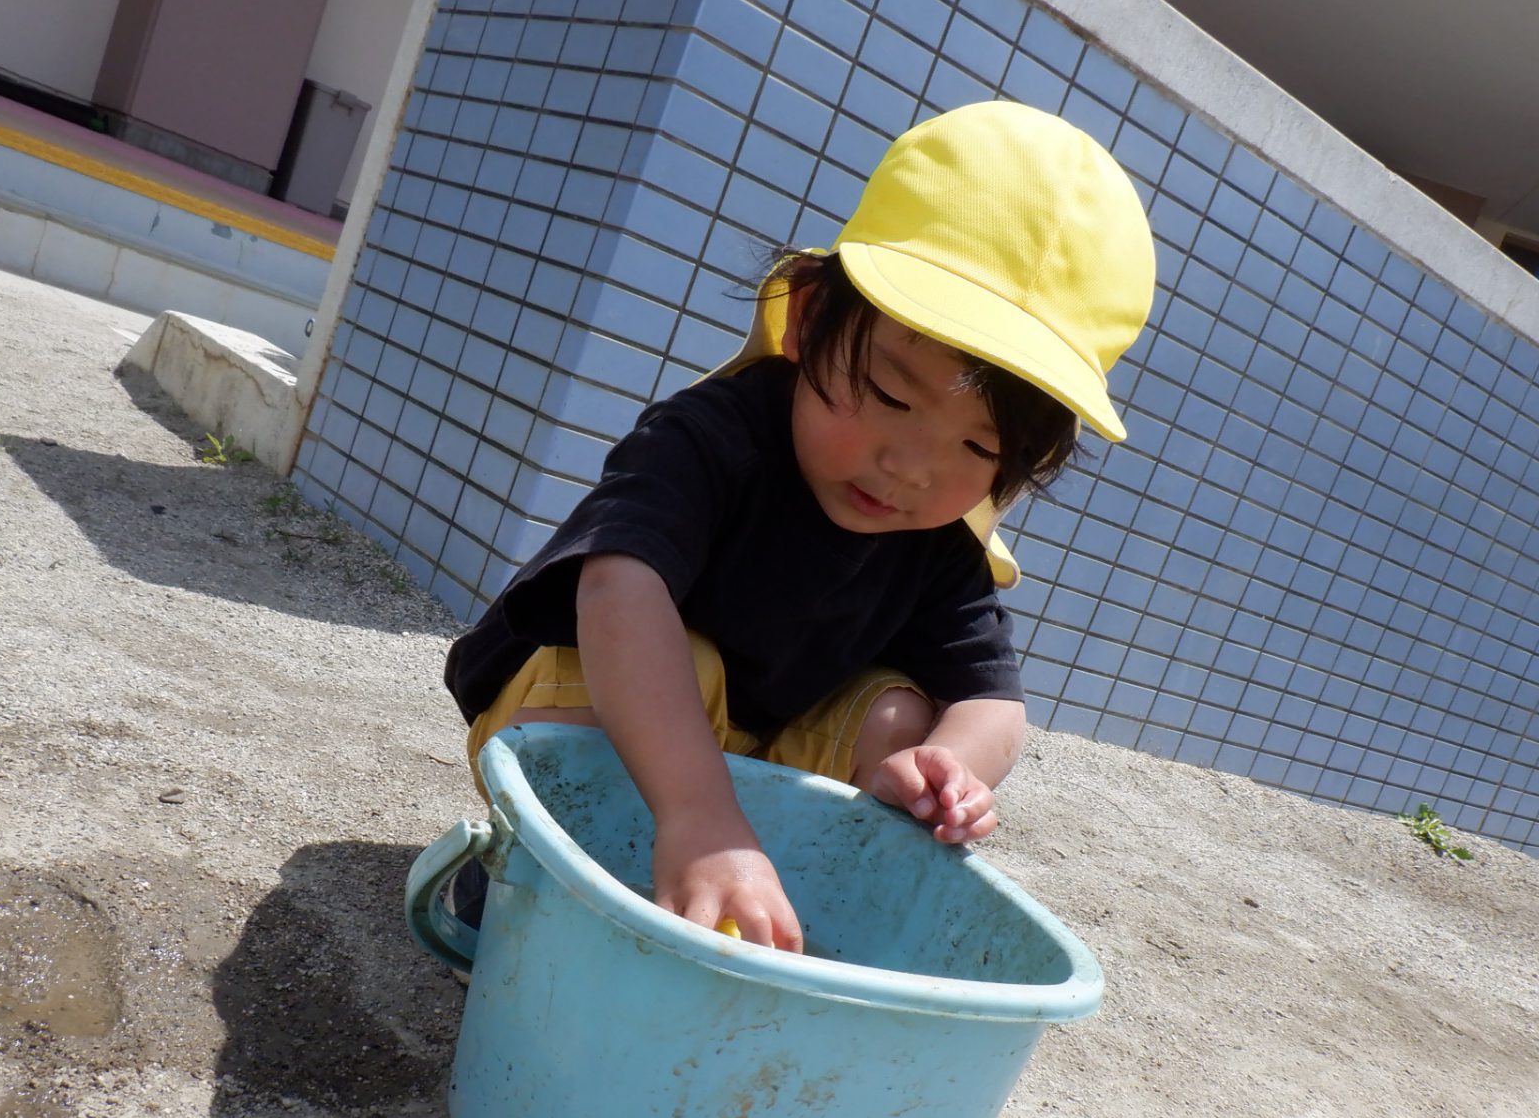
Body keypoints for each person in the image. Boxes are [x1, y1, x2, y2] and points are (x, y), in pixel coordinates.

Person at [443, 100, 1154, 952]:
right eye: (889, 396)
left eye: (978, 446)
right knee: (679, 657)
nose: (912, 468)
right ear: (810, 320)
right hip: (579, 714)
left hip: (754, 755)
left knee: (899, 717)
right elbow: (615, 588)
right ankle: (524, 887)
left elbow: (990, 698)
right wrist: (701, 817)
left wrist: (951, 768)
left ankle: (765, 914)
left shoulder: (936, 535)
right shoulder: (714, 435)